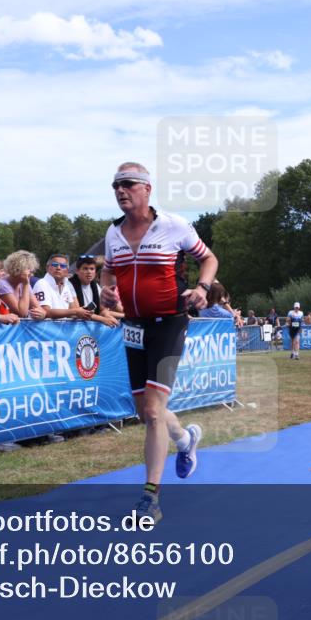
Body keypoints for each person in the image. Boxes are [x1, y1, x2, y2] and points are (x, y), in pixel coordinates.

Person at [100, 162, 218, 523]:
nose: (121, 191)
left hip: (169, 322)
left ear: (147, 189)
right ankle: (184, 440)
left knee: (152, 411)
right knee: (145, 411)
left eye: (128, 184)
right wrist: (107, 290)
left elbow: (208, 258)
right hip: (134, 327)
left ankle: (150, 497)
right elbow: (108, 270)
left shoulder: (174, 225)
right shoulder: (113, 232)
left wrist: (201, 287)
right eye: (116, 185)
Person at [33, 253, 91, 321]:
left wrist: (85, 312)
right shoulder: (42, 283)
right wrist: (76, 311)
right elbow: (46, 312)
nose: (58, 268)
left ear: (67, 270)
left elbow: (72, 311)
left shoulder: (66, 285)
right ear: (47, 268)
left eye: (63, 266)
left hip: (61, 330)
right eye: (55, 265)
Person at [68, 254, 119, 326]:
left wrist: (108, 317)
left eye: (92, 269)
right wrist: (103, 319)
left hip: (90, 325)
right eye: (85, 268)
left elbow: (103, 309)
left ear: (95, 272)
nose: (89, 272)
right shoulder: (69, 285)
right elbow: (79, 312)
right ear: (77, 271)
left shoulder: (95, 286)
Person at [0, 250, 45, 319]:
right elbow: (22, 313)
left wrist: (42, 314)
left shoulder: (23, 283)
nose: (31, 273)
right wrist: (26, 285)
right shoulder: (2, 285)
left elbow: (39, 309)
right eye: (28, 269)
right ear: (17, 269)